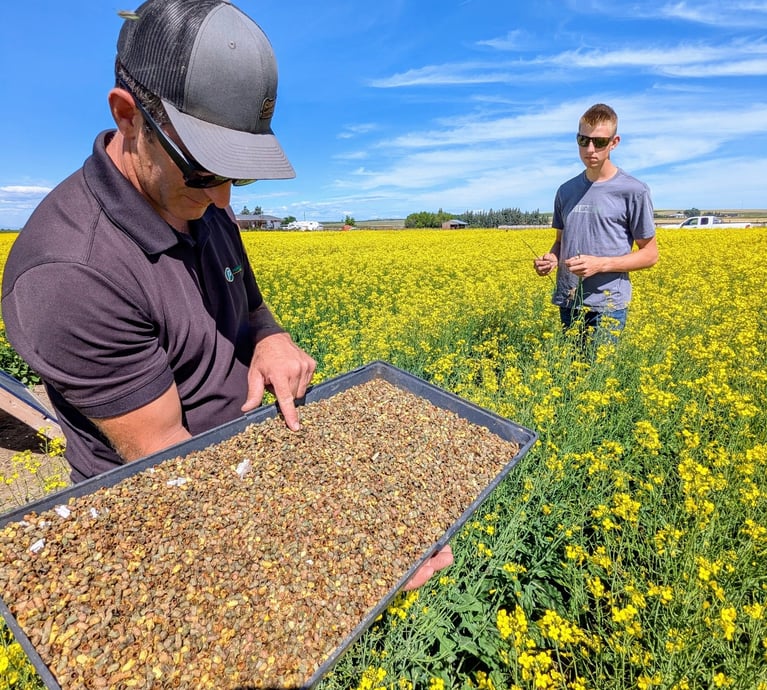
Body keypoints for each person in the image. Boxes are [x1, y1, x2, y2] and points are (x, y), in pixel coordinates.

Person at [2, 0, 453, 587]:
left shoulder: (201, 204)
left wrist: (272, 339)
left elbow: (252, 308)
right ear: (128, 116)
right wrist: (348, 551)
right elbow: (169, 461)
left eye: (235, 176)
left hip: (253, 471)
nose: (223, 203)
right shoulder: (70, 275)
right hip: (171, 516)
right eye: (205, 171)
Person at [533, 103, 658, 346]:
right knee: (573, 374)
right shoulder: (565, 191)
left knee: (598, 376)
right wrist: (551, 258)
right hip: (569, 299)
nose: (590, 149)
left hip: (608, 305)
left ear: (614, 142)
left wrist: (600, 265)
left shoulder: (634, 191)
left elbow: (650, 254)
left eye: (599, 142)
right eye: (583, 140)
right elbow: (561, 241)